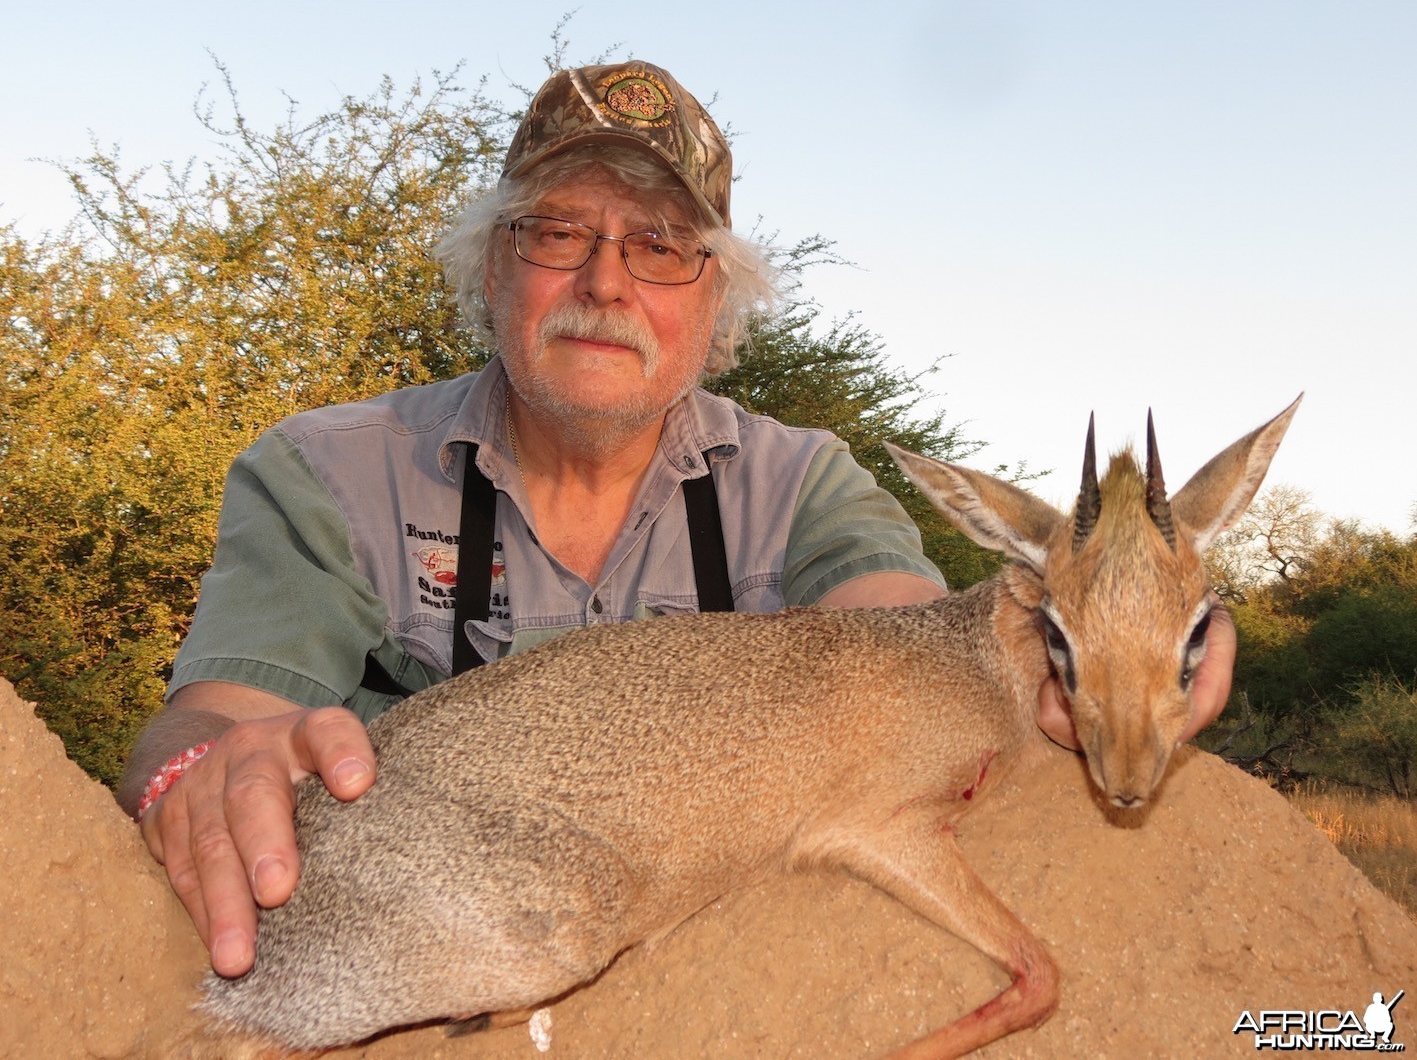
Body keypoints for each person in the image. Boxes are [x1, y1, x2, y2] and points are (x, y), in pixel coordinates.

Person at [117, 60, 1235, 978]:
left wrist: (1117, 643)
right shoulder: (326, 470)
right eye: (558, 232)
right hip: (433, 927)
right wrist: (202, 778)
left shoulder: (802, 480)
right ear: (493, 267)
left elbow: (910, 639)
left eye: (659, 246)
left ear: (718, 297)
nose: (606, 281)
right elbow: (210, 718)